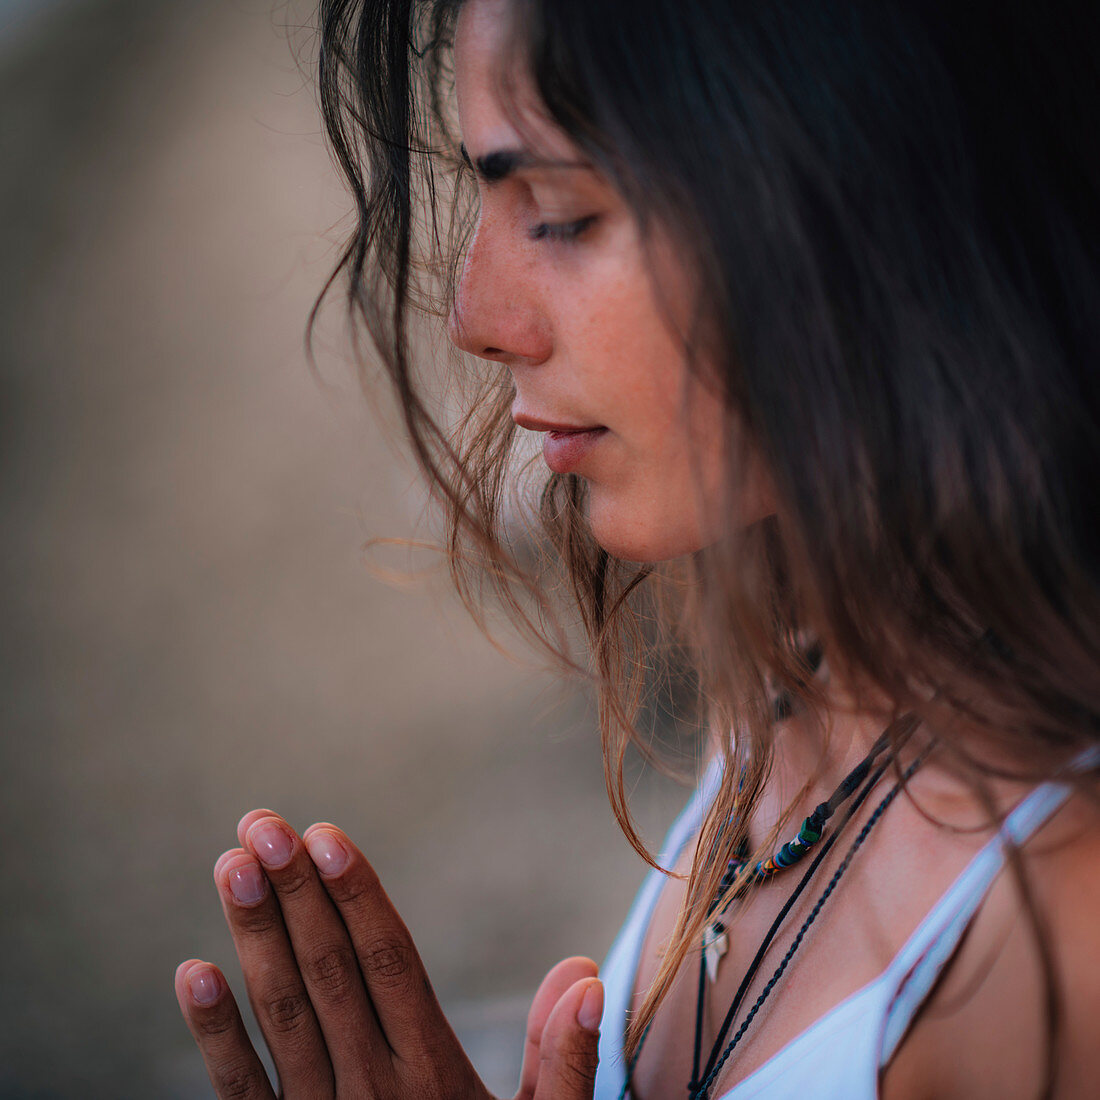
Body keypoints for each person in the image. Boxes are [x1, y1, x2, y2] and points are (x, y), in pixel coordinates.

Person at [175, 0, 1100, 1097]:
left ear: (861, 189)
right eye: (484, 191)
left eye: (560, 211)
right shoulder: (800, 667)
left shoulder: (1063, 929)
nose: (475, 313)